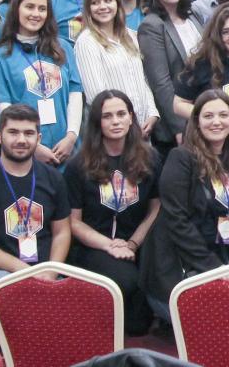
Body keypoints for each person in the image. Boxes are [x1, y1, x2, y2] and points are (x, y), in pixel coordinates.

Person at [142, 91, 229, 318]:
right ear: (197, 122)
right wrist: (213, 267)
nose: (216, 122)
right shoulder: (181, 158)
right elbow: (177, 221)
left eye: (223, 115)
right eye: (208, 116)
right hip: (180, 271)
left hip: (223, 264)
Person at [0, 105, 72, 328]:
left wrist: (50, 271)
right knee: (11, 303)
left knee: (72, 307)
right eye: (13, 132)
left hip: (45, 269)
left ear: (38, 138)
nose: (21, 139)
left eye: (29, 133)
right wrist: (25, 272)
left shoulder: (54, 179)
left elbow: (62, 232)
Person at [64, 91, 160, 335]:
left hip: (137, 243)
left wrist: (133, 244)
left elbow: (155, 208)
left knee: (140, 320)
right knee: (127, 282)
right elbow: (74, 222)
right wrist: (110, 246)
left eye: (121, 114)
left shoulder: (150, 158)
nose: (116, 121)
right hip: (94, 245)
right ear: (97, 122)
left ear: (131, 118)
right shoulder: (78, 165)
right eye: (107, 116)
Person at [0, 0, 82, 166]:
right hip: (25, 151)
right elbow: (3, 107)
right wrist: (33, 147)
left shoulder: (63, 48)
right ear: (16, 10)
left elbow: (75, 93)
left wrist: (71, 136)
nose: (36, 14)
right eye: (29, 7)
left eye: (42, 9)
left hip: (67, 148)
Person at [73, 0, 159, 135]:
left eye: (108, 0)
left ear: (117, 3)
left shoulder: (130, 35)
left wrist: (152, 113)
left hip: (141, 126)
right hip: (113, 129)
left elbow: (142, 80)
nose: (102, 6)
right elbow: (96, 95)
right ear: (88, 8)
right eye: (95, 2)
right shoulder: (86, 41)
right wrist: (124, 123)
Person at [137, 0, 201, 153]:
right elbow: (161, 83)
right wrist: (179, 127)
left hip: (204, 112)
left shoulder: (193, 14)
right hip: (178, 125)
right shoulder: (151, 25)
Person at [174, 1, 229, 116]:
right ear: (217, 35)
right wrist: (209, 117)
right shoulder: (201, 64)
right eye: (226, 32)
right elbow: (179, 104)